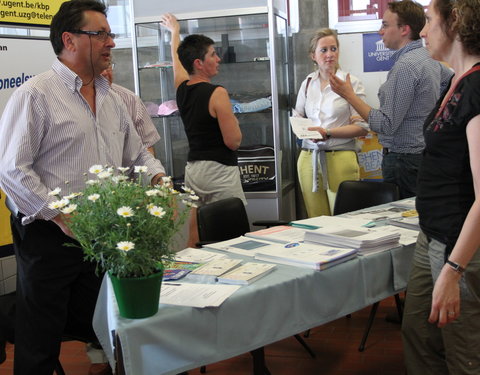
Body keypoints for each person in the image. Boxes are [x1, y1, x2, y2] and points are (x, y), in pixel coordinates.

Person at [0, 1, 166, 374]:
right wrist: (60, 214)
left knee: (104, 321)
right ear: (69, 40)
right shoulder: (35, 95)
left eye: (110, 33)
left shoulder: (112, 97)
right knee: (39, 336)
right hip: (50, 234)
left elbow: (137, 152)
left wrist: (158, 180)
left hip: (102, 233)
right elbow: (12, 170)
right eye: (101, 34)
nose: (111, 42)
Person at [401, 0, 480, 373]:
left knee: (463, 351)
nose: (422, 31)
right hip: (432, 234)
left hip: (457, 247)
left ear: (456, 22)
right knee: (419, 333)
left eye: (429, 21)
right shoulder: (454, 80)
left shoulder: (477, 89)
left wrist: (453, 269)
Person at [329, 0, 453, 199]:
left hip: (403, 161)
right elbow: (451, 83)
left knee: (403, 222)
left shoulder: (406, 67)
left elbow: (386, 124)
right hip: (419, 156)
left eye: (386, 25)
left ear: (404, 29)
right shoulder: (429, 59)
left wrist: (349, 96)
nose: (380, 31)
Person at [160, 13, 246, 247]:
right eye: (212, 54)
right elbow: (233, 142)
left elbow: (177, 63)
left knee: (195, 233)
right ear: (199, 63)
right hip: (219, 171)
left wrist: (174, 32)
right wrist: (235, 123)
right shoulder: (217, 93)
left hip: (194, 171)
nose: (218, 58)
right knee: (232, 236)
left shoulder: (181, 89)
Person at [294, 28, 369, 217]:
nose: (330, 55)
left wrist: (327, 133)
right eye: (324, 50)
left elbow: (362, 128)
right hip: (308, 157)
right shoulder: (307, 83)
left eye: (333, 49)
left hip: (340, 156)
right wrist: (303, 130)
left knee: (344, 219)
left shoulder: (351, 82)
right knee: (315, 220)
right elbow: (298, 118)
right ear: (313, 55)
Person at [101, 64, 161, 155]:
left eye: (108, 66)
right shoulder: (74, 102)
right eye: (99, 67)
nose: (105, 72)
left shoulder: (130, 100)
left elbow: (147, 147)